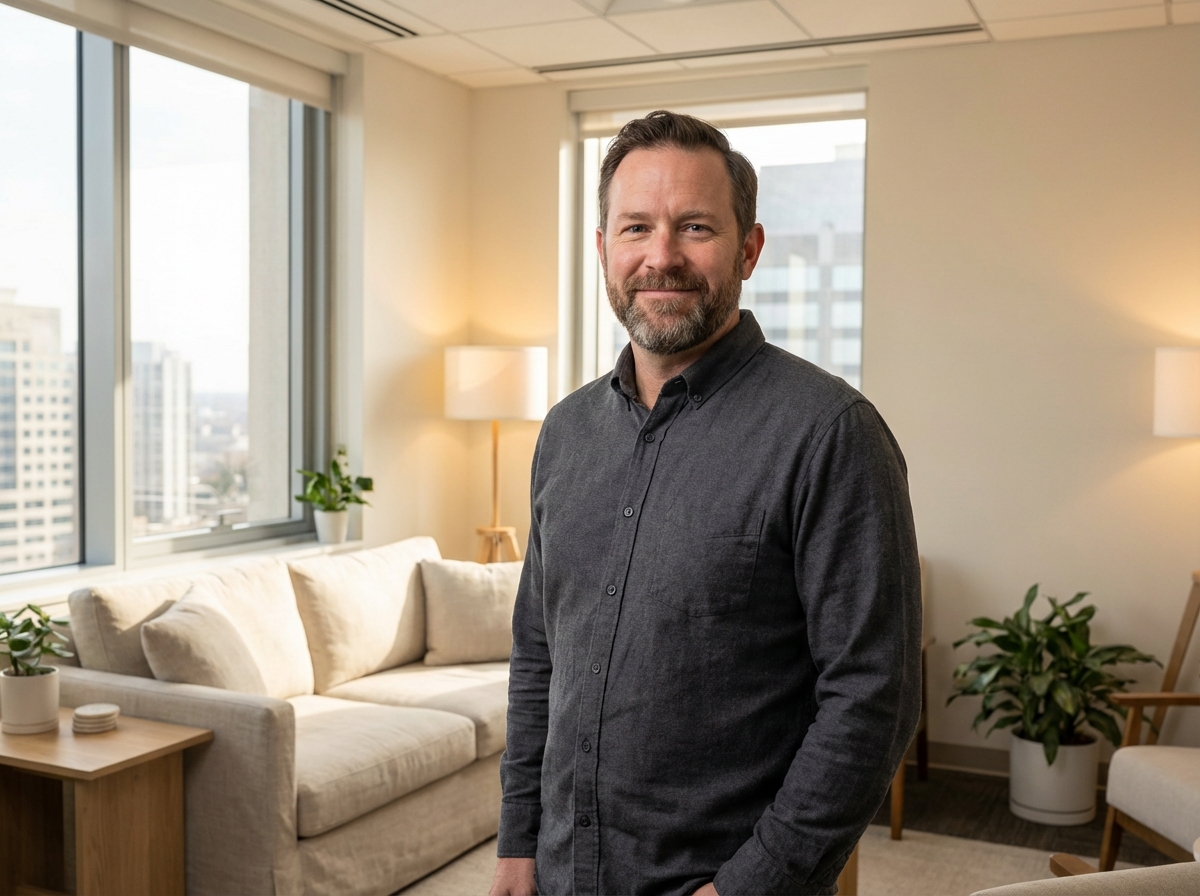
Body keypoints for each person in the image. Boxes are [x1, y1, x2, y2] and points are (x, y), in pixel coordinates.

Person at [489, 110, 922, 896]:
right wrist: (518, 841)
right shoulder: (564, 433)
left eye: (694, 227)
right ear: (602, 250)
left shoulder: (830, 434)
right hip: (559, 874)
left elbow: (872, 699)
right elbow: (538, 657)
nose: (661, 257)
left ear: (748, 249)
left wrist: (751, 886)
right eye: (634, 228)